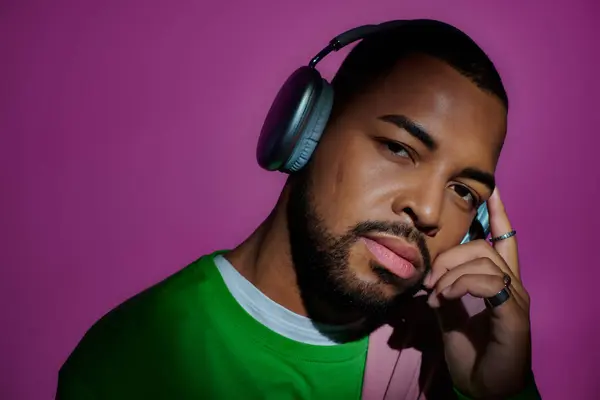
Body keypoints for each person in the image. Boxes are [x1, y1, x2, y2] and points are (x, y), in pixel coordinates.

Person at [56, 19, 541, 399]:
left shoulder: (454, 365)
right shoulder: (133, 360)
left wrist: (499, 394)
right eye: (398, 148)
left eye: (463, 191)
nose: (430, 211)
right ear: (307, 130)